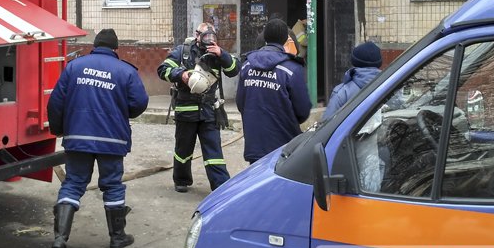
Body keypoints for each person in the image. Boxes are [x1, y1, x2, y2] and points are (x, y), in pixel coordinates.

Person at [47, 28, 149, 248]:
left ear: (94, 46)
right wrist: (122, 112)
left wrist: (59, 130)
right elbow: (140, 102)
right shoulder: (125, 71)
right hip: (112, 139)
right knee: (112, 185)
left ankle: (60, 238)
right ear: (115, 48)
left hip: (78, 138)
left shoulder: (74, 67)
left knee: (73, 183)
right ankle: (117, 237)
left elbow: (56, 102)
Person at [157, 22, 240, 192]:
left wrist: (222, 54)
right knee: (183, 149)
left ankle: (220, 186)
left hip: (209, 111)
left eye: (212, 35)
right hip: (186, 109)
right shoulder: (183, 51)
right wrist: (181, 74)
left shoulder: (217, 53)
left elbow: (234, 69)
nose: (209, 38)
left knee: (214, 152)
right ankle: (181, 180)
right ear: (197, 35)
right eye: (205, 35)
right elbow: (163, 69)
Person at [236, 18, 312, 164]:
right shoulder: (292, 69)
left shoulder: (246, 66)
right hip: (284, 147)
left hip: (255, 145)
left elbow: (241, 103)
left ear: (265, 37)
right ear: (285, 39)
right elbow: (302, 111)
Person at [322, 41, 383, 120]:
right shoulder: (390, 86)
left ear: (354, 62)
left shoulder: (342, 92)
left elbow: (327, 122)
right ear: (379, 62)